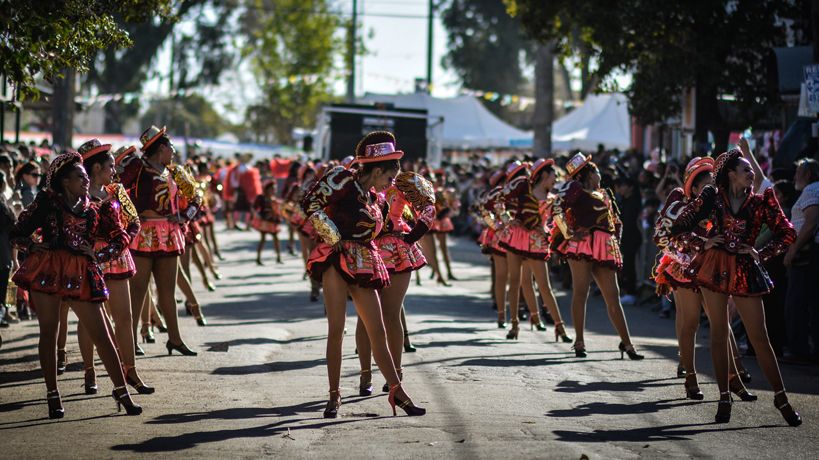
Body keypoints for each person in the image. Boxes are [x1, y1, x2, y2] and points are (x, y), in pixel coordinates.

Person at [302, 131, 425, 418]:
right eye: (390, 177)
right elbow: (310, 204)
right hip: (335, 260)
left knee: (377, 329)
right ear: (378, 169)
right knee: (337, 330)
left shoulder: (372, 195)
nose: (391, 184)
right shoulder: (342, 179)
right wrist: (334, 238)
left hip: (365, 260)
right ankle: (333, 397)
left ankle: (398, 393)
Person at [10, 150, 142, 418]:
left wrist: (100, 255)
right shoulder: (48, 201)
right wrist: (33, 246)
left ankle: (120, 390)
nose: (85, 181)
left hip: (81, 270)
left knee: (103, 334)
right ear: (64, 181)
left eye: (85, 176)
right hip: (48, 268)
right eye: (79, 177)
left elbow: (121, 237)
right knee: (49, 331)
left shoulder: (96, 206)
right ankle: (52, 393)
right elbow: (18, 231)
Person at [672, 148, 800, 425]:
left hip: (745, 268)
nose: (751, 173)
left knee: (759, 337)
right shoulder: (712, 197)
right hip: (714, 266)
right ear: (731, 174)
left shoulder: (762, 201)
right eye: (746, 170)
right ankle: (724, 396)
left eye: (751, 170)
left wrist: (761, 253)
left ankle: (781, 397)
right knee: (718, 333)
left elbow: (788, 232)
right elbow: (679, 227)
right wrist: (702, 243)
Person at [653, 157, 755, 402]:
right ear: (695, 189)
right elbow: (661, 236)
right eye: (707, 185)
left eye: (714, 183)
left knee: (722, 325)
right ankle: (690, 377)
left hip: (713, 269)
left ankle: (734, 379)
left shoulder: (723, 203)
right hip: (684, 268)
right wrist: (700, 243)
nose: (712, 189)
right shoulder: (679, 205)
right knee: (690, 324)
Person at [355, 132, 436, 395]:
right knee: (364, 318)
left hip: (397, 250)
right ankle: (365, 375)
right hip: (367, 248)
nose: (393, 172)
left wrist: (413, 236)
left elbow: (429, 209)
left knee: (391, 314)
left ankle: (395, 376)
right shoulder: (357, 185)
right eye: (390, 166)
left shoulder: (404, 182)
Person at [75, 140, 154, 395]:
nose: (114, 170)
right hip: (88, 258)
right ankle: (90, 370)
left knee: (125, 317)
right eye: (110, 165)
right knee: (90, 320)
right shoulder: (78, 193)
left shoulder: (117, 190)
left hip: (117, 255)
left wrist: (122, 242)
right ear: (96, 167)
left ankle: (130, 371)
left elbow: (134, 221)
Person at [551, 153, 643, 360]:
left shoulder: (605, 193)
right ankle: (579, 342)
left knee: (613, 296)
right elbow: (557, 208)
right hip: (582, 244)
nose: (600, 174)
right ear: (588, 173)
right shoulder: (574, 188)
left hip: (604, 245)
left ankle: (627, 343)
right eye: (597, 171)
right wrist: (569, 233)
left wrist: (614, 243)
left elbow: (616, 221)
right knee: (580, 292)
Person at [120, 126, 203, 356]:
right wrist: (131, 216)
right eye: (172, 148)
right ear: (162, 148)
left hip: (168, 233)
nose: (174, 152)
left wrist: (184, 217)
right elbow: (116, 189)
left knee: (167, 292)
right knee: (137, 291)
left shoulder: (175, 172)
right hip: (144, 234)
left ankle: (175, 339)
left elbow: (197, 196)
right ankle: (131, 340)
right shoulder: (136, 168)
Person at [496, 159, 571, 342]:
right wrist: (507, 219)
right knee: (514, 282)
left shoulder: (553, 198)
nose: (556, 179)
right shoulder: (523, 187)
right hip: (517, 236)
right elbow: (499, 200)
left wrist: (566, 237)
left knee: (544, 286)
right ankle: (514, 325)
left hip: (537, 242)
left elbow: (556, 221)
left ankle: (559, 327)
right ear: (545, 175)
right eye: (554, 175)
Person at [783, 158, 819, 362]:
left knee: (797, 303)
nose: (795, 176)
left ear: (808, 174)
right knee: (812, 304)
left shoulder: (812, 190)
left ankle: (799, 350)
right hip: (809, 254)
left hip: (807, 256)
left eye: (798, 172)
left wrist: (793, 250)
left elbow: (811, 221)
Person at [251, 181, 284, 265]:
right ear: (267, 189)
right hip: (265, 222)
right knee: (263, 239)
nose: (274, 190)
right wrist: (257, 215)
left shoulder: (274, 199)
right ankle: (258, 258)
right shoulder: (261, 197)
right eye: (272, 188)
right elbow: (254, 208)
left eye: (274, 188)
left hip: (273, 221)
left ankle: (278, 257)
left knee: (276, 239)